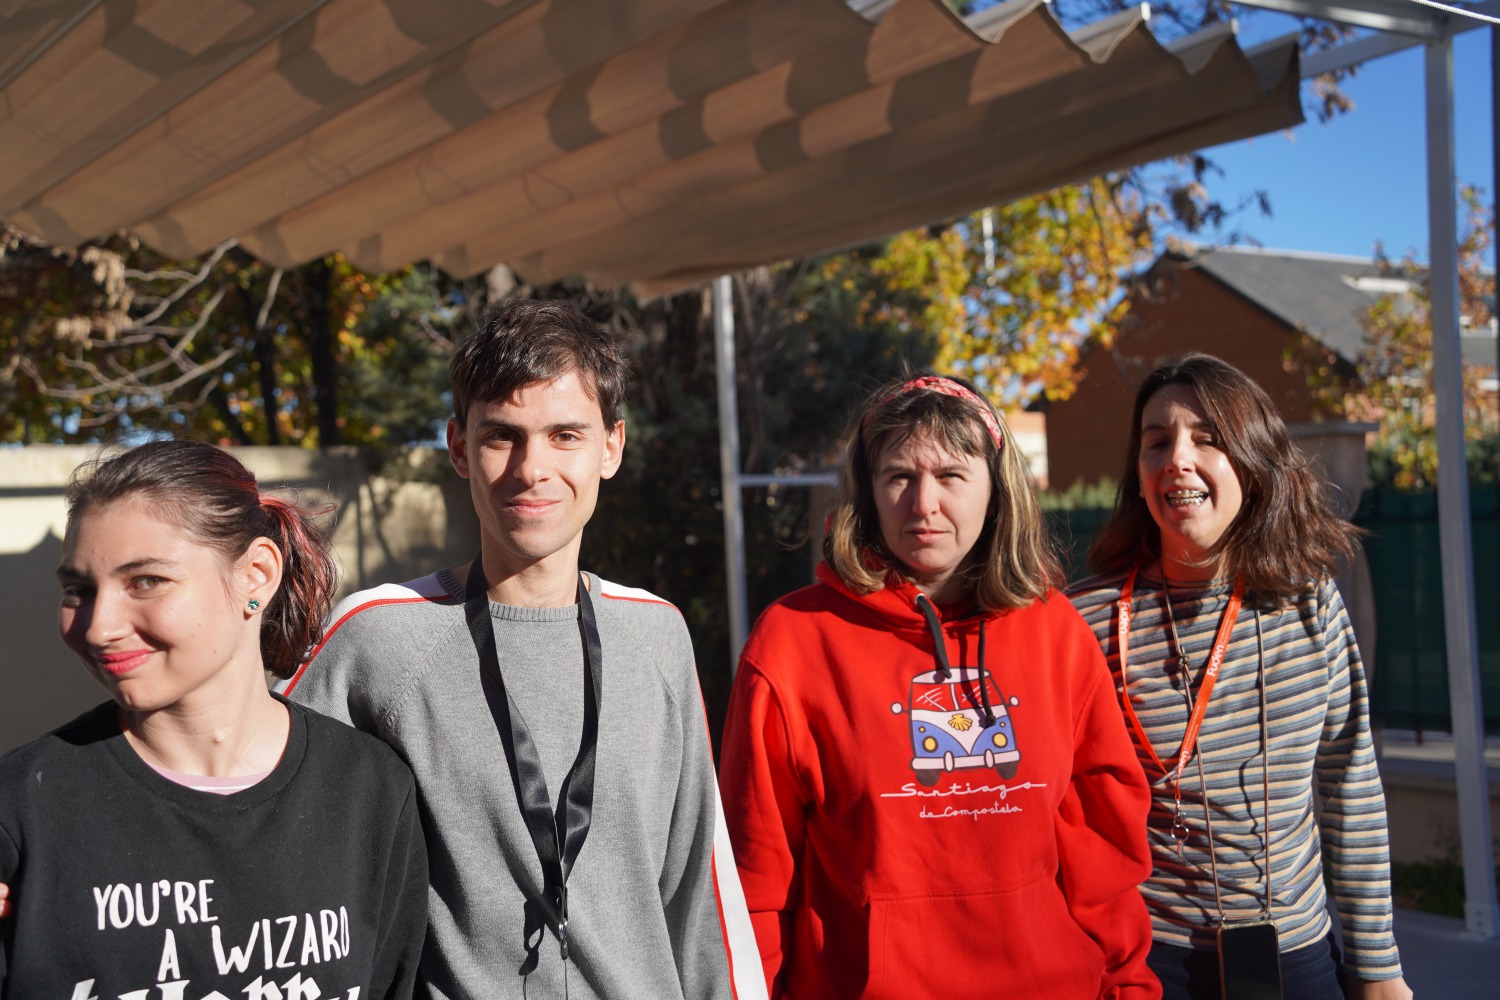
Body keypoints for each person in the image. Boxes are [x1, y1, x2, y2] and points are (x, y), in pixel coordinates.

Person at [276, 298, 764, 999]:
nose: (532, 468)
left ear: (611, 447)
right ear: (458, 447)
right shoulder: (380, 635)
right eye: (503, 435)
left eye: (565, 434)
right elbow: (249, 806)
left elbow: (699, 890)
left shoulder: (655, 633)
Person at [719, 373, 1159, 999]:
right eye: (899, 475)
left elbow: (1103, 851)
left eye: (952, 476)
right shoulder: (793, 642)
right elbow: (754, 874)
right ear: (868, 493)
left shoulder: (1056, 631)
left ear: (995, 488)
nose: (923, 503)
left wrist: (1131, 987)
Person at [0, 441, 427, 999]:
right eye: (78, 590)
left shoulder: (369, 791)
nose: (99, 626)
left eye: (146, 580)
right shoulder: (21, 808)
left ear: (255, 574)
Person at [1067, 354, 1411, 1000]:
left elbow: (1349, 783)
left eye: (1208, 437)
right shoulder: (1082, 619)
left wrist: (1377, 968)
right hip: (1142, 961)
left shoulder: (1307, 603)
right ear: (1138, 475)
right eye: (1156, 441)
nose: (1177, 458)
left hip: (1295, 955)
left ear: (1253, 464)